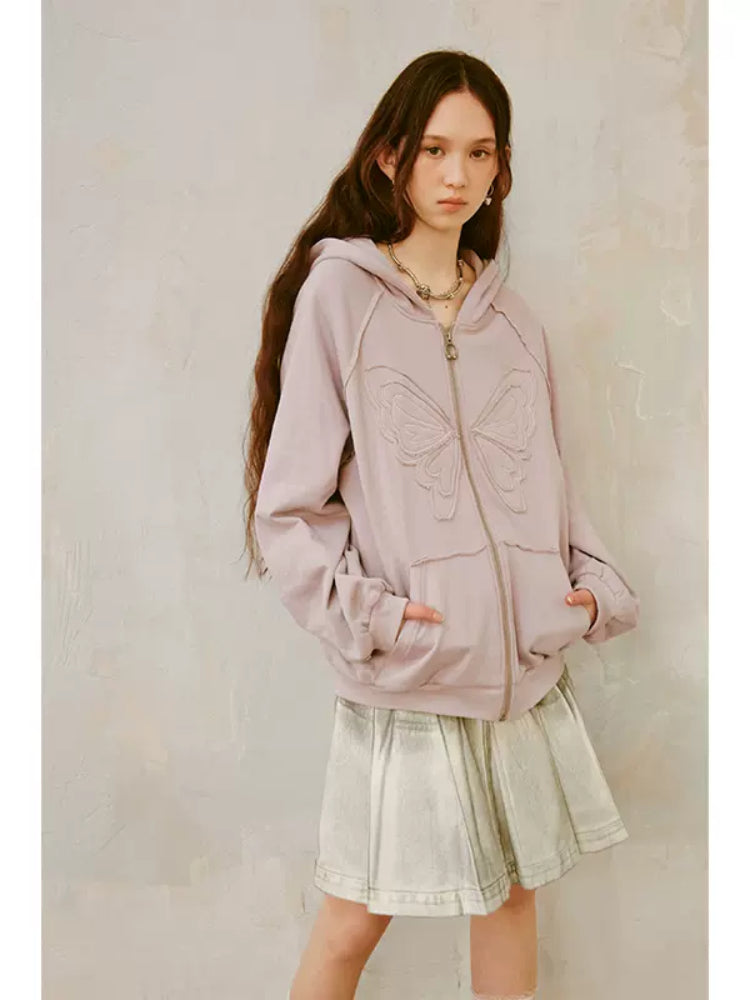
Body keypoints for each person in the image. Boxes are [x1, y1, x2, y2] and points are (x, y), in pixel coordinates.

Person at [243, 49, 639, 1000]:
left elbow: (550, 482)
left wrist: (587, 592)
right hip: (413, 669)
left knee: (510, 896)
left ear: (502, 167)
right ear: (391, 157)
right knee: (352, 918)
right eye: (434, 150)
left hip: (518, 675)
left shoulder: (515, 323)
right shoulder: (341, 297)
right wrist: (375, 618)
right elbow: (290, 509)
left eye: (480, 152)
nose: (457, 175)